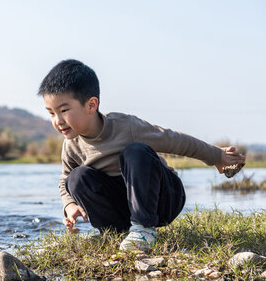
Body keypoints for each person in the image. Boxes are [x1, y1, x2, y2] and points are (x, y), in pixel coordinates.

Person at [38, 59, 246, 251]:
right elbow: (65, 179)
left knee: (135, 151)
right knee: (77, 178)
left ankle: (144, 229)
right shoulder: (71, 145)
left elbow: (174, 140)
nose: (57, 120)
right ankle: (114, 233)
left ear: (91, 105)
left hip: (162, 199)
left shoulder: (126, 126)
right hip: (123, 205)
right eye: (51, 113)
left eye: (64, 110)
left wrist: (216, 157)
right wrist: (70, 205)